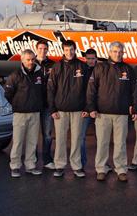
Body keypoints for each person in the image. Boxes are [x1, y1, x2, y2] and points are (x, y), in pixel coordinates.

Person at [86, 41, 137, 182]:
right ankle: (101, 168)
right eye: (115, 51)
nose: (118, 54)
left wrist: (135, 108)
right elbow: (91, 90)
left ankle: (121, 169)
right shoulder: (100, 68)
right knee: (102, 142)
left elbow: (135, 91)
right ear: (110, 52)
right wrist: (91, 108)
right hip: (102, 113)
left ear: (123, 53)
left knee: (120, 143)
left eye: (120, 52)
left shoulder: (129, 69)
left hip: (121, 113)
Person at [48, 40, 90, 178]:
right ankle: (59, 165)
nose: (69, 52)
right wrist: (52, 109)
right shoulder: (57, 67)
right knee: (60, 139)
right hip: (60, 111)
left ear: (75, 49)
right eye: (66, 50)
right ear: (63, 51)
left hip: (78, 110)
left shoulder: (83, 67)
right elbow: (51, 89)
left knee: (76, 139)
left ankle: (77, 166)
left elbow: (88, 90)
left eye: (71, 49)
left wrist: (87, 107)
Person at [4, 49, 46, 178]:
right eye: (28, 59)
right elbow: (8, 94)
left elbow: (43, 92)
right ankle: (15, 166)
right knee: (18, 142)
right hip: (20, 114)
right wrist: (17, 105)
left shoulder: (39, 74)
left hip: (35, 113)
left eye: (33, 59)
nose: (31, 62)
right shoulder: (15, 75)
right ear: (22, 60)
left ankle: (30, 166)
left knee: (32, 141)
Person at [35, 39, 55, 170]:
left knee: (47, 134)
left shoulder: (53, 65)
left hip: (48, 105)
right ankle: (33, 159)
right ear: (36, 49)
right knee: (32, 134)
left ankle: (47, 159)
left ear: (48, 50)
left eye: (45, 49)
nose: (43, 51)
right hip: (34, 105)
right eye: (40, 49)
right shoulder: (30, 62)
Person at [80, 48, 98, 168]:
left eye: (93, 59)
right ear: (85, 59)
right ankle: (81, 163)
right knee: (81, 137)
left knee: (102, 139)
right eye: (89, 59)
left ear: (96, 59)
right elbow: (80, 92)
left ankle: (103, 164)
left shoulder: (102, 70)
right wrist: (86, 109)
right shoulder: (81, 72)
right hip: (85, 110)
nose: (91, 61)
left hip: (99, 110)